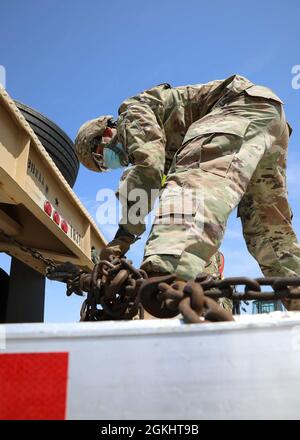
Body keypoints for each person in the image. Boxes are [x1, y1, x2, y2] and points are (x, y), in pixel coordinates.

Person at [75, 74, 300, 311]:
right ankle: (296, 294)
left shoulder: (131, 113)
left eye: (101, 157)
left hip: (238, 106)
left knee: (190, 178)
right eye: (103, 167)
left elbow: (149, 167)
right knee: (266, 229)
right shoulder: (166, 147)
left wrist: (124, 238)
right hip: (268, 117)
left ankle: (165, 274)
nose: (110, 165)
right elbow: (150, 182)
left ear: (106, 133)